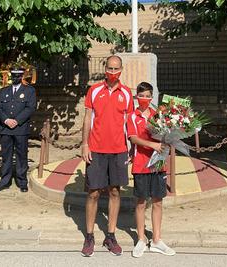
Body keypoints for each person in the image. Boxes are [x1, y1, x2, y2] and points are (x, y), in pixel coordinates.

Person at [81, 55, 134, 257]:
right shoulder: (94, 91)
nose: (113, 73)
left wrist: (132, 148)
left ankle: (110, 236)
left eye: (116, 69)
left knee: (114, 192)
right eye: (110, 69)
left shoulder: (127, 93)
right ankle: (89, 236)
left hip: (118, 149)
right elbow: (87, 119)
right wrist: (85, 144)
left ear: (121, 69)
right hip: (96, 148)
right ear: (105, 69)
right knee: (93, 193)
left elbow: (129, 123)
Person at [127, 82, 176, 257]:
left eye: (148, 96)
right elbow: (133, 138)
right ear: (137, 97)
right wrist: (152, 145)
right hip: (140, 164)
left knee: (158, 202)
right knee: (141, 202)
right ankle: (141, 239)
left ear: (152, 97)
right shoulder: (132, 116)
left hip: (158, 164)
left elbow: (166, 135)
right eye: (142, 96)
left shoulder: (159, 115)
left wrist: (172, 132)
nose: (145, 99)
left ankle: (156, 240)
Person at [0, 67, 36, 193]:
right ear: (11, 76)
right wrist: (6, 120)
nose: (16, 78)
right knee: (6, 156)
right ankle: (4, 181)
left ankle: (22, 182)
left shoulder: (29, 91)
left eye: (18, 76)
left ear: (22, 77)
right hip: (6, 129)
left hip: (20, 129)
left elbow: (30, 107)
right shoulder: (4, 91)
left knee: (21, 156)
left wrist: (16, 121)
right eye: (14, 76)